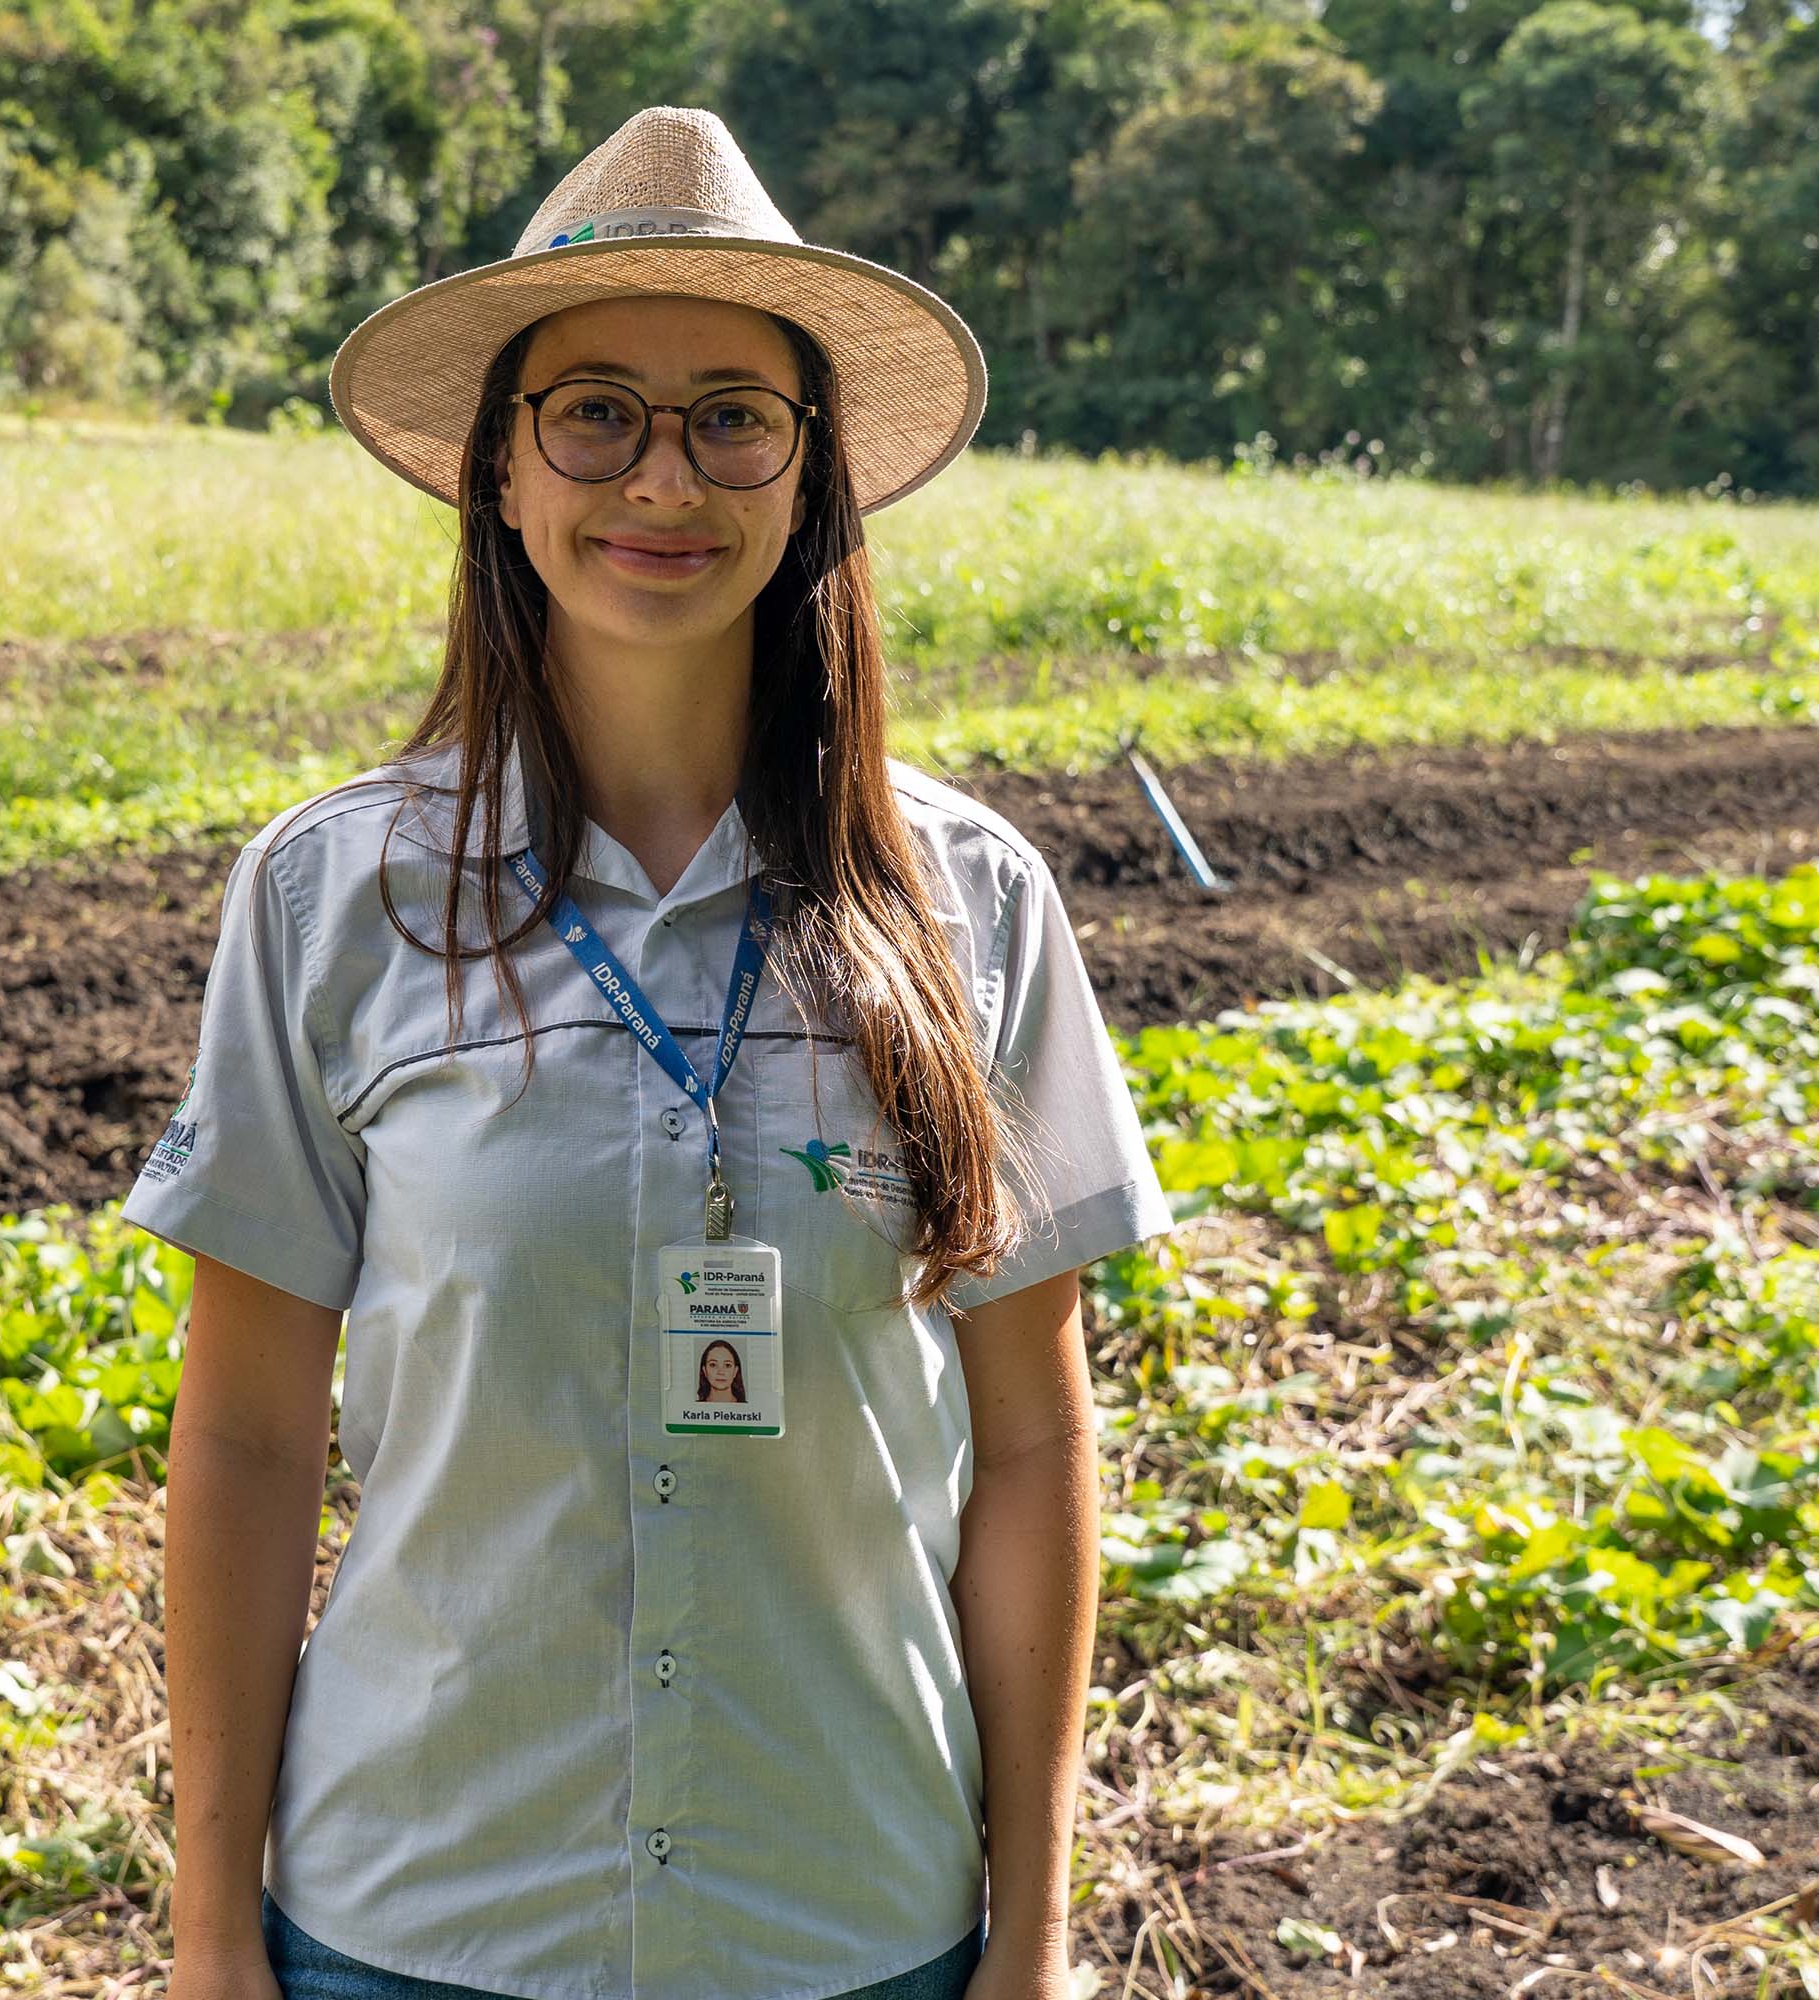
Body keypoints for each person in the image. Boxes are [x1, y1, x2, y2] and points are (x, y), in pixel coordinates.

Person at [129, 105, 1173, 2000]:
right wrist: (211, 1938)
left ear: (810, 479)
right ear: (504, 478)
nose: (661, 477)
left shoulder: (974, 907)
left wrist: (1028, 1942)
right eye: (594, 409)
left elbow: (1030, 1443)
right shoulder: (329, 901)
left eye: (730, 417)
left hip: (850, 1917)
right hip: (427, 1924)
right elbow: (252, 1432)